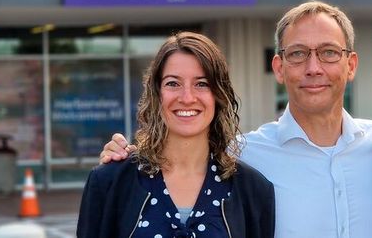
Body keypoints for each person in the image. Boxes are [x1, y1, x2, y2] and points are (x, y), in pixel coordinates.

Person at [100, 1, 372, 237]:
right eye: (298, 54)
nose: (313, 67)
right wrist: (126, 161)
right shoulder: (241, 159)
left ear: (351, 65)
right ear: (279, 68)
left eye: (329, 53)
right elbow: (178, 160)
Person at [77, 32, 275, 238]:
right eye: (173, 83)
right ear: (156, 93)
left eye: (202, 84)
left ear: (218, 96)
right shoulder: (110, 181)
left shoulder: (253, 190)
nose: (187, 98)